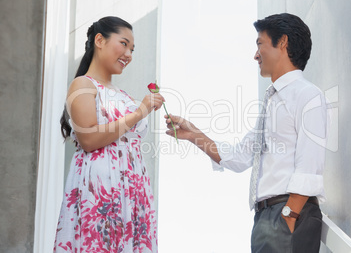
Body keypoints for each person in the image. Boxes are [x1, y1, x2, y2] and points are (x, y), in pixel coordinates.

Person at [165, 13, 329, 252]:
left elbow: (310, 164)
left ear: (282, 42)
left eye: (259, 44)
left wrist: (288, 216)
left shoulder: (307, 95)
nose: (255, 55)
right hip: (266, 218)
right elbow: (240, 157)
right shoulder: (272, 101)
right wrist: (193, 135)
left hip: (287, 213)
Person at [55, 16, 164, 253]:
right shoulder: (83, 85)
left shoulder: (122, 94)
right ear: (100, 40)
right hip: (101, 193)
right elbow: (89, 139)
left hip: (133, 193)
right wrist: (139, 113)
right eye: (124, 44)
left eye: (132, 49)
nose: (129, 54)